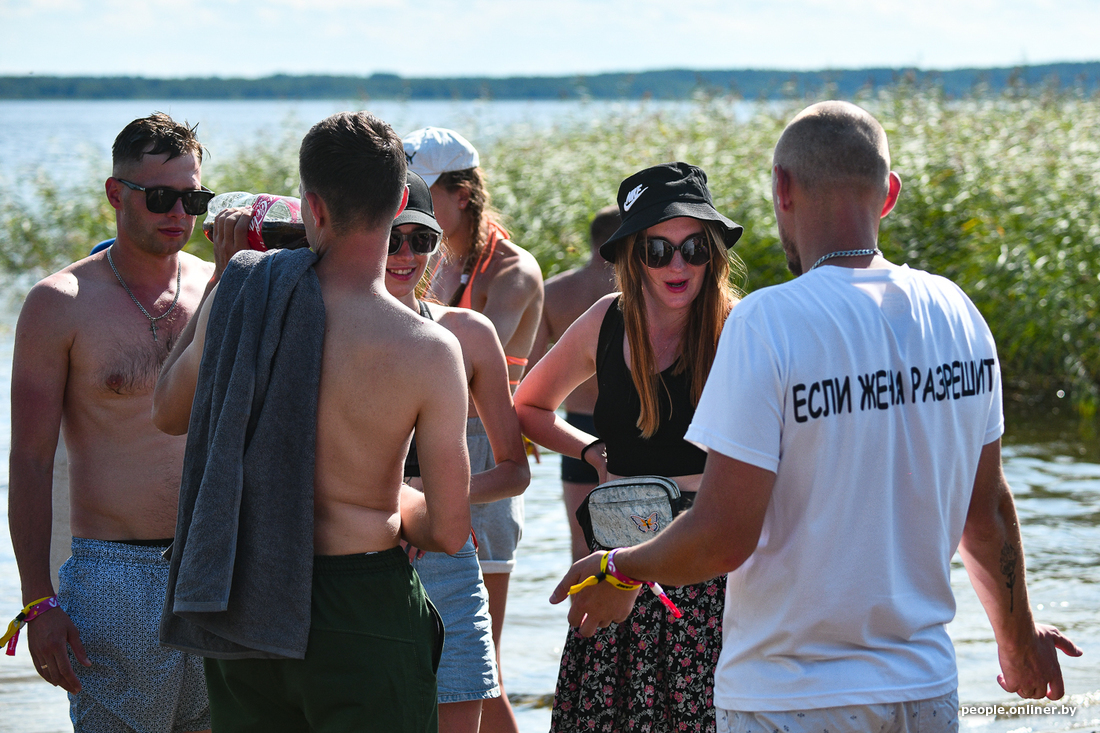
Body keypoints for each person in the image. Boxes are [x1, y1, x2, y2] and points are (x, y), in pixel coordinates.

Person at [551, 102, 1083, 733]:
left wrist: (617, 568)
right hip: (926, 690)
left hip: (788, 698)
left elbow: (723, 536)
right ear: (889, 194)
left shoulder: (766, 323)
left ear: (782, 189)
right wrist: (1019, 644)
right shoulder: (957, 313)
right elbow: (986, 511)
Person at [152, 112, 471, 732]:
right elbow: (451, 530)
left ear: (312, 207)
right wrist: (389, 498)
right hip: (362, 604)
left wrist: (222, 279)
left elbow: (167, 410)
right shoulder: (430, 350)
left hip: (244, 598)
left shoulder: (244, 293)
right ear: (399, 204)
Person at [515, 162, 745, 733]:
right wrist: (592, 452)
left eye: (694, 248)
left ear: (714, 254)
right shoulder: (607, 321)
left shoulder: (739, 327)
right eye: (657, 250)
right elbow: (529, 406)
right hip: (616, 562)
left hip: (708, 570)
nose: (678, 265)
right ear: (631, 256)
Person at [7, 112, 215, 733]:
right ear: (115, 194)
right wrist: (37, 601)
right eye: (159, 198)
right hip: (113, 574)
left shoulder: (218, 287)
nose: (178, 213)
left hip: (212, 568)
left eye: (192, 199)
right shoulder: (59, 304)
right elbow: (30, 461)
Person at [404, 126, 544, 733]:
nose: (404, 201)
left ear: (461, 194)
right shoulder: (421, 257)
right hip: (422, 450)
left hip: (480, 452)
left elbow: (462, 371)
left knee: (484, 675)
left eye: (420, 189)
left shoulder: (513, 269)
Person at [528, 205, 620, 562]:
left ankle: (578, 603)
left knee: (583, 549)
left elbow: (531, 372)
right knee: (640, 539)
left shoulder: (553, 291)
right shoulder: (640, 289)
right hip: (631, 426)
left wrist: (523, 433)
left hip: (574, 432)